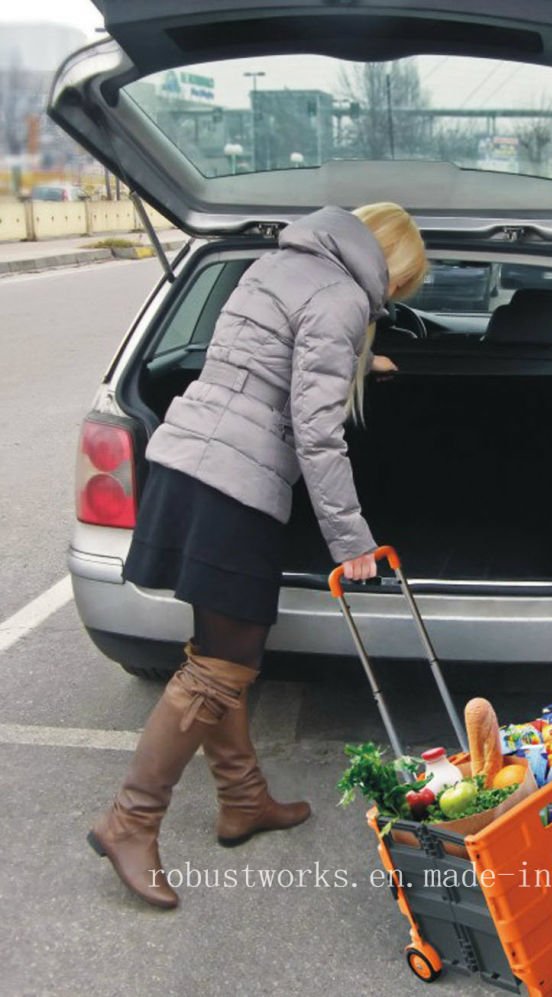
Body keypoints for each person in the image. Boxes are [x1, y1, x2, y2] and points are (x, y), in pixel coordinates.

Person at [87, 202, 428, 909]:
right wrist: (352, 541)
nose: (389, 304)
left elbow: (266, 363)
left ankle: (242, 798)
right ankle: (130, 820)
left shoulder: (278, 264)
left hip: (188, 461)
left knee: (221, 648)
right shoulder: (340, 299)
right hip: (233, 484)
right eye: (399, 292)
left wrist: (364, 358)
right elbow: (318, 431)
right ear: (390, 269)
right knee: (221, 665)